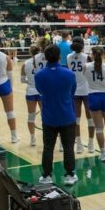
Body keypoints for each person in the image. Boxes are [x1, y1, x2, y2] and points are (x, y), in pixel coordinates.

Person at [35, 44, 78, 186]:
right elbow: (72, 92)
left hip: (49, 117)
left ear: (46, 57)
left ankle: (46, 175)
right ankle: (69, 175)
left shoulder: (39, 75)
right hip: (67, 116)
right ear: (60, 57)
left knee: (48, 147)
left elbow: (40, 91)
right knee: (68, 147)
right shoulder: (69, 74)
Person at [66, 37, 95, 154]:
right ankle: (91, 143)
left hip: (74, 91)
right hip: (87, 90)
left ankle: (78, 144)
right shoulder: (87, 57)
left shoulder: (68, 57)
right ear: (83, 46)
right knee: (90, 119)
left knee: (76, 119)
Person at [21, 45, 43, 147]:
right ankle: (46, 136)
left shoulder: (25, 64)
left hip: (30, 91)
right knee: (45, 115)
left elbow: (22, 80)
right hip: (42, 91)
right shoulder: (43, 62)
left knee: (31, 116)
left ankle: (33, 138)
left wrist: (30, 82)